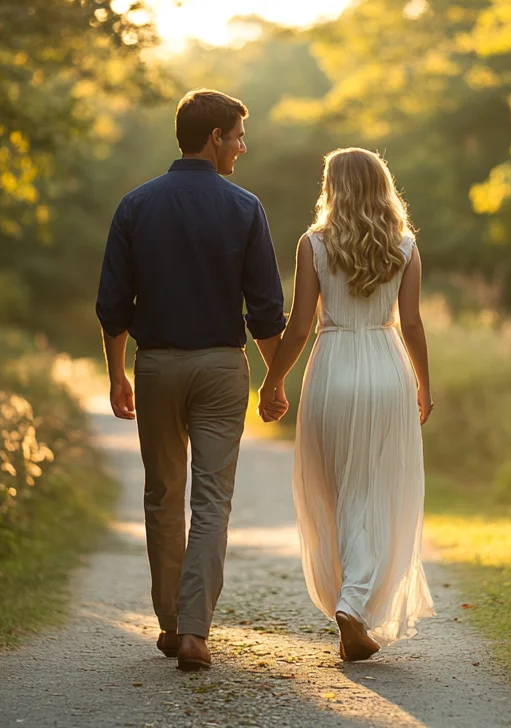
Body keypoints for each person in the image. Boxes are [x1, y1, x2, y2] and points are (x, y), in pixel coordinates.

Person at [95, 88, 289, 672]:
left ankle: (171, 624)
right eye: (236, 136)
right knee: (211, 499)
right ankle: (196, 632)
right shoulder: (244, 207)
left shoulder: (135, 205)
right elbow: (265, 311)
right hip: (220, 369)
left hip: (155, 365)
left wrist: (116, 376)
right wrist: (274, 381)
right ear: (214, 139)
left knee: (162, 495)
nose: (242, 147)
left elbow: (112, 305)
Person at [258, 147, 436, 662]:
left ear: (332, 186)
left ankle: (350, 603)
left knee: (335, 489)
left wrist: (272, 382)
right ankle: (354, 605)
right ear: (382, 185)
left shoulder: (313, 243)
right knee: (377, 492)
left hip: (332, 366)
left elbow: (298, 325)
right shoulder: (403, 244)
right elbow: (414, 325)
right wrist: (425, 384)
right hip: (387, 367)